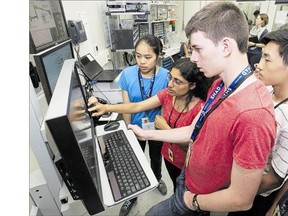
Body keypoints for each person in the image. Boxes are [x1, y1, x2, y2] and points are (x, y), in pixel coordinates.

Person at [127, 2, 276, 215]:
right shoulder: (219, 84)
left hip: (197, 196)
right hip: (188, 176)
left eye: (197, 49)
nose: (193, 58)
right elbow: (194, 131)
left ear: (226, 46)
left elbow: (241, 199)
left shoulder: (253, 114)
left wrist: (192, 201)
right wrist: (147, 133)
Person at [88, 58, 213, 192]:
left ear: (192, 85)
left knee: (185, 193)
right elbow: (138, 106)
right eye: (170, 77)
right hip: (169, 156)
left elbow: (194, 148)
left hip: (187, 163)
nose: (170, 84)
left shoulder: (201, 109)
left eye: (177, 81)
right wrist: (106, 108)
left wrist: (165, 128)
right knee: (176, 188)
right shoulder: (168, 95)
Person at [95, 34, 169, 216]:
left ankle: (157, 177)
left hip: (156, 129)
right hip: (134, 127)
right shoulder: (127, 75)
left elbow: (167, 106)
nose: (142, 61)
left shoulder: (167, 77)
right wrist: (127, 128)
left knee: (155, 157)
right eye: (138, 56)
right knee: (133, 160)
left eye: (148, 57)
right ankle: (132, 195)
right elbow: (127, 105)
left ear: (158, 55)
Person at [228, 27, 288, 216]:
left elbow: (274, 178)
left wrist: (236, 191)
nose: (259, 65)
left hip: (256, 195)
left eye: (267, 59)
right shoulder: (266, 91)